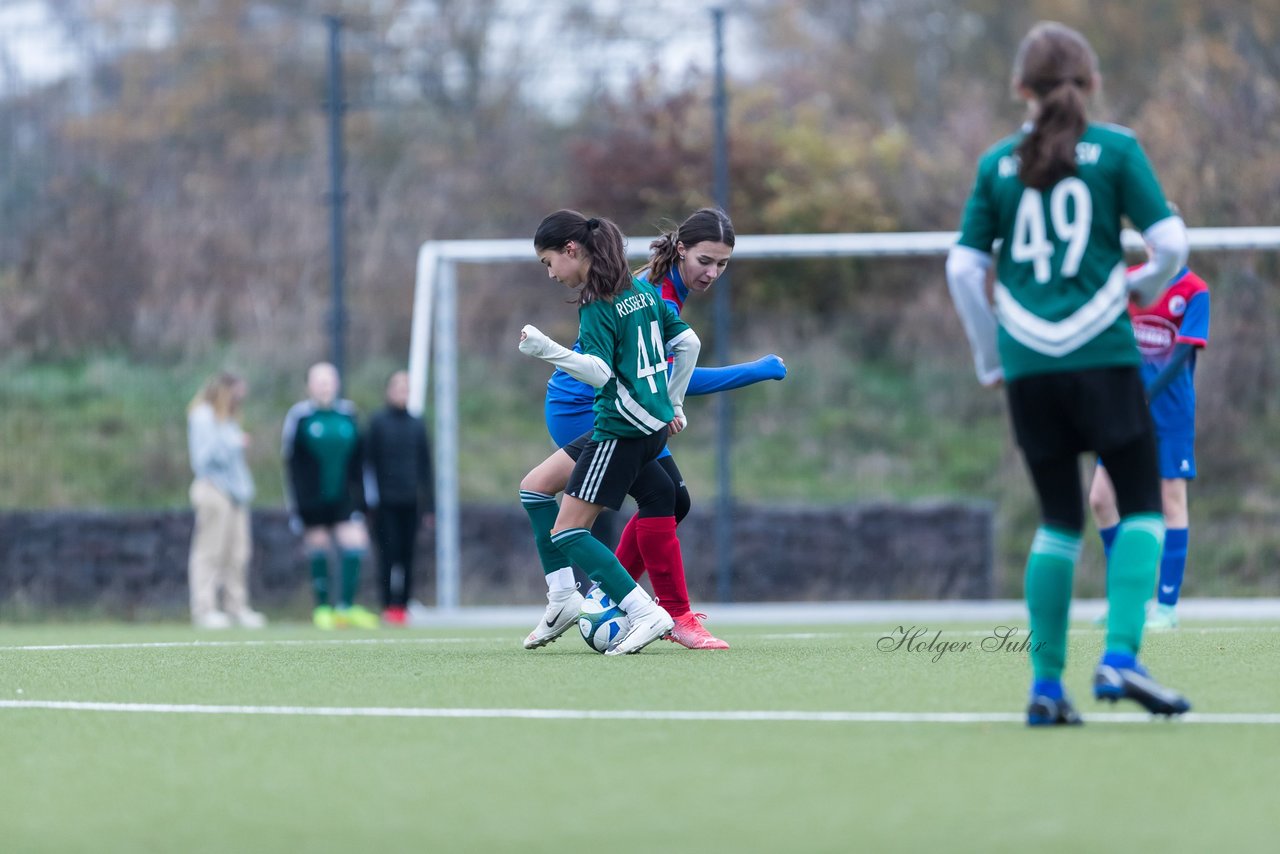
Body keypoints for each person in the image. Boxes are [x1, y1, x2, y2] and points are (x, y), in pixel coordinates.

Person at [945, 21, 1192, 725]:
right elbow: (1171, 241)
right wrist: (1143, 288)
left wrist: (992, 355)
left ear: (1020, 88)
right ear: (1091, 84)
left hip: (1029, 364)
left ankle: (1047, 687)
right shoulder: (1115, 150)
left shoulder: (997, 164)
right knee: (1143, 506)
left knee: (1058, 519)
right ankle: (1120, 656)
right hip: (1105, 355)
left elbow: (963, 266)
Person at [541, 207, 787, 649]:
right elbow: (664, 377)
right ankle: (666, 614)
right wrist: (756, 369)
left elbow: (662, 372)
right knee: (655, 501)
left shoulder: (660, 287)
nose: (713, 273)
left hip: (622, 405)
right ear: (680, 250)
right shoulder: (658, 293)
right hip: (588, 406)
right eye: (705, 261)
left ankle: (609, 599)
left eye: (723, 264)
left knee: (669, 499)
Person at [518, 209, 701, 655]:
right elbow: (689, 342)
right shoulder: (640, 290)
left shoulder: (598, 303)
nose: (550, 273)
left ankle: (645, 612)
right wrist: (673, 401)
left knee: (568, 532)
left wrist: (547, 350)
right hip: (648, 426)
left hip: (621, 429)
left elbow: (599, 372)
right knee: (535, 489)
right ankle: (563, 600)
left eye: (548, 262)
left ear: (571, 250)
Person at [1089, 260, 1210, 630]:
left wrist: (1146, 396)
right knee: (1101, 499)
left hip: (1169, 414)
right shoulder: (1130, 282)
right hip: (1123, 410)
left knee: (1170, 502)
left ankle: (1167, 606)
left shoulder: (1194, 290)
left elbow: (1180, 357)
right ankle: (1128, 599)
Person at [282, 361, 379, 630]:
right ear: (309, 386)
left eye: (328, 381)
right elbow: (290, 463)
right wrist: (297, 504)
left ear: (336, 384)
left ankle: (345, 607)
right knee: (318, 546)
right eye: (318, 381)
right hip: (311, 500)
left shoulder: (348, 414)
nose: (324, 386)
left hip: (343, 498)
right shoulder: (299, 417)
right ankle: (323, 608)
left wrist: (363, 499)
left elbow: (361, 462)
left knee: (355, 542)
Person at [186, 371, 266, 629]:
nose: (239, 399)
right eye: (236, 393)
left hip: (235, 494)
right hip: (213, 490)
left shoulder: (228, 418)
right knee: (209, 551)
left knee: (238, 553)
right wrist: (233, 443)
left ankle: (236, 607)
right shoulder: (203, 416)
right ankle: (204, 608)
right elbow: (204, 458)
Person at [364, 370, 435, 626]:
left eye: (406, 388)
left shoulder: (417, 424)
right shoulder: (377, 423)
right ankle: (386, 605)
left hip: (410, 503)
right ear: (389, 391)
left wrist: (430, 506)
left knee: (408, 555)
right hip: (384, 504)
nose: (401, 393)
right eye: (398, 388)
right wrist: (366, 502)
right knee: (387, 554)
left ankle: (403, 606)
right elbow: (366, 464)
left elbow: (426, 467)